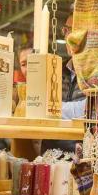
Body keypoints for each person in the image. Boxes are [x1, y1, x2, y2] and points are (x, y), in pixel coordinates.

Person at [40, 14, 88, 154]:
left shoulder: (97, 74)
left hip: (81, 161)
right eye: (67, 30)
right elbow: (38, 106)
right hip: (49, 156)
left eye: (77, 30)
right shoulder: (56, 70)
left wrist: (51, 108)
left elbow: (88, 110)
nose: (70, 37)